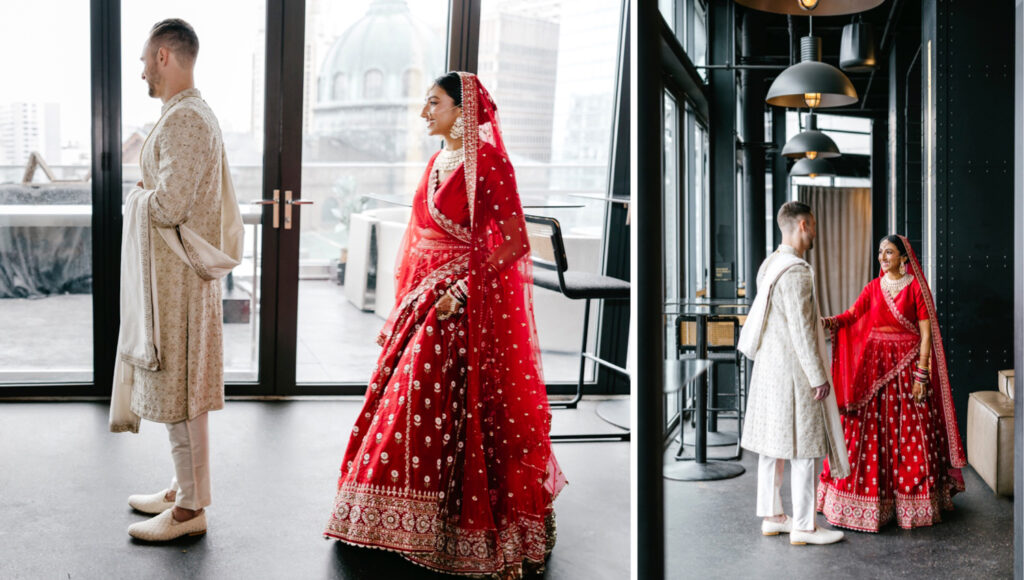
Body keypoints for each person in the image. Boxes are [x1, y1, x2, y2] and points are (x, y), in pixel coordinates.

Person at [324, 72, 566, 577]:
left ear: (463, 110)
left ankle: (452, 525)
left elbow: (517, 244)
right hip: (423, 299)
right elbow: (418, 241)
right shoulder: (436, 162)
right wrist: (401, 311)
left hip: (461, 306)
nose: (423, 112)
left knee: (433, 404)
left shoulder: (491, 164)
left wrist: (464, 289)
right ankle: (389, 516)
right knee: (404, 401)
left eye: (433, 103)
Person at [108, 18, 243, 542]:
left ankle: (190, 511)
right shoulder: (184, 114)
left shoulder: (185, 120)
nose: (141, 69)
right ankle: (184, 489)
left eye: (145, 59)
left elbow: (168, 205)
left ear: (164, 56)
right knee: (178, 392)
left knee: (183, 393)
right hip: (176, 280)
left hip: (179, 285)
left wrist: (136, 195)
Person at [817, 235, 965, 531]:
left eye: (889, 253)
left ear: (904, 258)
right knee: (866, 431)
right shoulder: (873, 287)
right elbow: (852, 315)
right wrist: (827, 322)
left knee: (911, 434)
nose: (883, 258)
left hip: (908, 367)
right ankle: (865, 501)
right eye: (880, 253)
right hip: (874, 368)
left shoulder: (915, 289)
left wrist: (921, 375)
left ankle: (912, 503)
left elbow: (926, 335)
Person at [738, 201, 850, 546]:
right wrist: (818, 375)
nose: (814, 232)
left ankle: (772, 516)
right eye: (813, 226)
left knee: (772, 446)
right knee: (805, 447)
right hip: (794, 372)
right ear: (803, 225)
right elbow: (801, 331)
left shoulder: (769, 264)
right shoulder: (798, 271)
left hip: (769, 370)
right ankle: (804, 525)